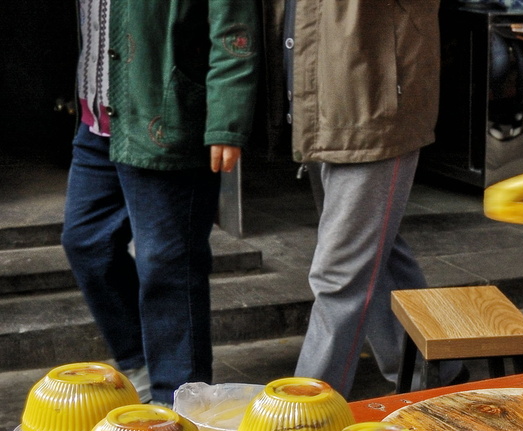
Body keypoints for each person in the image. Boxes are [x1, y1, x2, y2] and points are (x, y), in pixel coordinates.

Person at [62, 0, 260, 405]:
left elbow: (234, 32)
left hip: (163, 117)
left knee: (168, 265)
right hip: (97, 122)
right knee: (85, 241)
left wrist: (227, 121)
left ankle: (179, 403)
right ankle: (140, 365)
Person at [282, 0, 462, 397]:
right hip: (320, 94)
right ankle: (436, 372)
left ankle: (303, 416)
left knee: (339, 274)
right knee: (373, 248)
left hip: (373, 99)